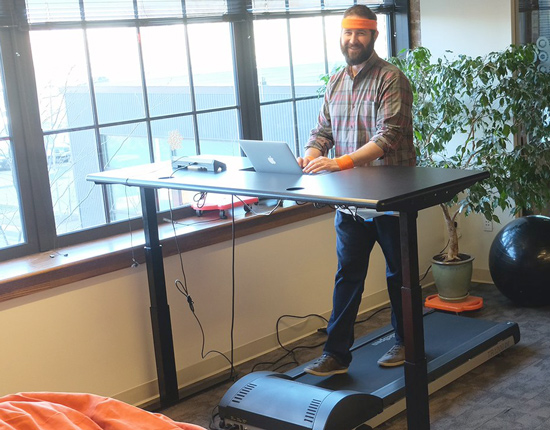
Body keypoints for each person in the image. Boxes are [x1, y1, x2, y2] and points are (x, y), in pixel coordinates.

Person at [298, 4, 416, 376]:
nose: (353, 40)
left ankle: (407, 343)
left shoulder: (390, 78)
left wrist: (340, 162)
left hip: (390, 196)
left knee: (400, 275)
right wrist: (311, 156)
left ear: (374, 36)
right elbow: (322, 132)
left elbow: (389, 136)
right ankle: (336, 354)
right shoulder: (335, 81)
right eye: (348, 33)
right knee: (348, 275)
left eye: (361, 33)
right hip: (350, 201)